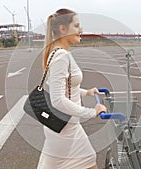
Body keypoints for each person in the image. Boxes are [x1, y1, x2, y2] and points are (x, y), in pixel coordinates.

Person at [37, 8, 107, 169]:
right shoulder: (61, 56)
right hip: (65, 129)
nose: (81, 30)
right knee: (87, 162)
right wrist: (91, 112)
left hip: (68, 126)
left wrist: (86, 92)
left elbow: (66, 88)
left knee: (89, 160)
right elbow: (57, 100)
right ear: (63, 29)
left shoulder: (60, 53)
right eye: (76, 26)